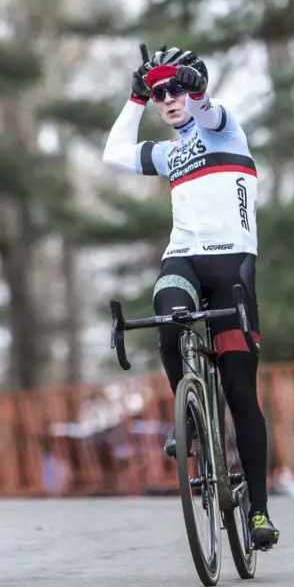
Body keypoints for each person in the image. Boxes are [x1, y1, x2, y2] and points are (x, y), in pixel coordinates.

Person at [100, 46, 279, 549]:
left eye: (174, 88)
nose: (169, 98)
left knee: (242, 392)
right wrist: (135, 99)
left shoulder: (226, 129)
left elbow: (208, 108)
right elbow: (114, 154)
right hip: (185, 257)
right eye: (160, 93)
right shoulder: (169, 152)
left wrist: (194, 85)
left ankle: (260, 514)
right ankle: (193, 416)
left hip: (233, 268)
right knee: (167, 319)